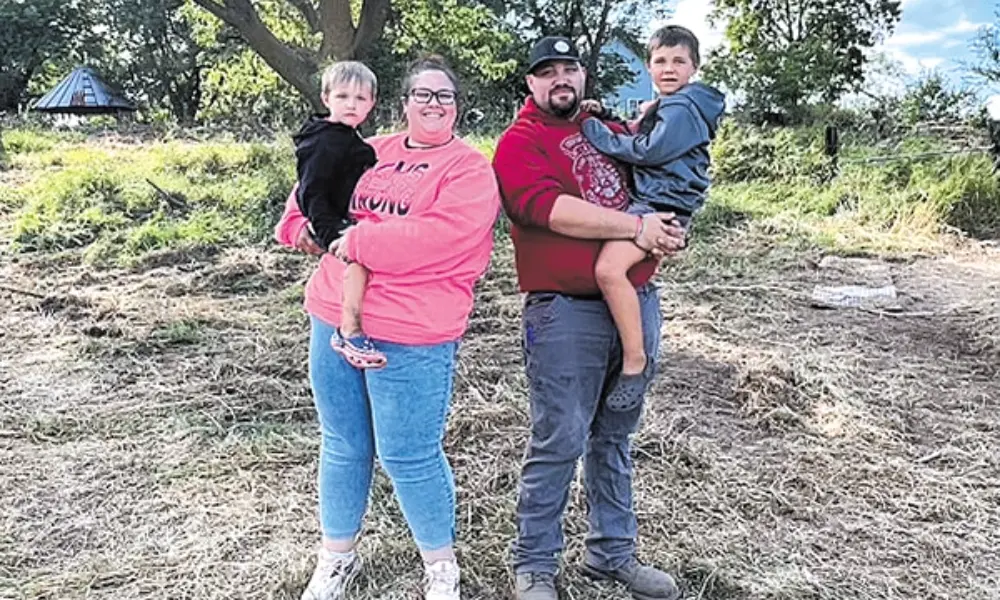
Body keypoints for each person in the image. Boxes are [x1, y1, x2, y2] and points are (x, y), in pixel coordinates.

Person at [275, 55, 500, 600]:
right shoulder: (367, 149)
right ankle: (337, 558)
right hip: (332, 313)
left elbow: (441, 239)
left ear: (457, 107)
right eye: (422, 94)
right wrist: (301, 229)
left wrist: (353, 241)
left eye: (444, 96)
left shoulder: (468, 169)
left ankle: (440, 568)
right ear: (402, 103)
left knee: (408, 452)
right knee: (343, 443)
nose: (432, 104)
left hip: (411, 329)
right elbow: (309, 193)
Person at [492, 36, 688, 600]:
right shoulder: (520, 141)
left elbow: (655, 183)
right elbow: (545, 209)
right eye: (546, 71)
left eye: (570, 69)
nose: (561, 79)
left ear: (583, 75)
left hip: (635, 298)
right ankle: (534, 564)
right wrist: (635, 228)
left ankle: (612, 553)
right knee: (559, 437)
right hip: (564, 312)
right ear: (530, 84)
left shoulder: (611, 131)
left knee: (616, 435)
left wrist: (670, 228)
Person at [581, 25, 725, 411]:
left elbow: (650, 150)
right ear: (649, 66)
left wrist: (598, 133)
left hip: (662, 204)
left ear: (694, 66)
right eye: (661, 61)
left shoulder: (682, 106)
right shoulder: (676, 106)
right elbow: (642, 130)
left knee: (609, 270)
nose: (668, 68)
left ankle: (635, 359)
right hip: (661, 200)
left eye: (679, 61)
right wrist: (610, 115)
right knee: (618, 269)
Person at [292, 61, 385, 369]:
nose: (351, 104)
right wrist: (330, 232)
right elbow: (310, 190)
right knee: (358, 262)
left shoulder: (347, 137)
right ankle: (350, 331)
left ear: (371, 103)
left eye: (360, 99)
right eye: (343, 96)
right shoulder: (324, 141)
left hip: (341, 214)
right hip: (328, 217)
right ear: (326, 98)